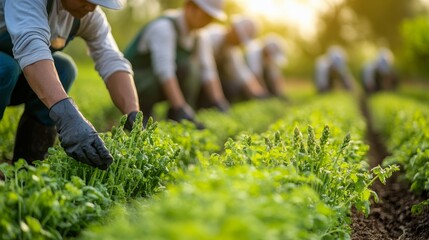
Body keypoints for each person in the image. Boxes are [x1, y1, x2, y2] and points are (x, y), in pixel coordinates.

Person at [0, 0, 142, 170]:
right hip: (7, 71)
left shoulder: (88, 17)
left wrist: (133, 113)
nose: (90, 6)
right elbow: (31, 46)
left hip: (16, 76)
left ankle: (28, 167)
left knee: (64, 70)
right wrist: (67, 116)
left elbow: (111, 59)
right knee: (5, 68)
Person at [124, 0, 229, 128]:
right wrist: (180, 107)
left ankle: (176, 118)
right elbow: (164, 70)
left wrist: (219, 102)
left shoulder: (200, 36)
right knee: (189, 68)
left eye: (211, 18)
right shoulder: (164, 27)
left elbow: (208, 69)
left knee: (194, 70)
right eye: (206, 15)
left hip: (156, 82)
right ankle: (141, 113)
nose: (208, 21)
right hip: (135, 83)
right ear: (189, 7)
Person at [198, 15, 269, 105]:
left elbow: (242, 73)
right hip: (198, 77)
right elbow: (207, 70)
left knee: (232, 87)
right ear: (233, 28)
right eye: (239, 38)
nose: (239, 43)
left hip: (209, 79)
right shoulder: (211, 37)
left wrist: (260, 94)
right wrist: (218, 100)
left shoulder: (231, 50)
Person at [244, 33, 288, 99]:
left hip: (259, 78)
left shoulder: (269, 59)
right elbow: (257, 76)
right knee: (260, 93)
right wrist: (266, 93)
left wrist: (280, 93)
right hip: (247, 80)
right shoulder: (253, 53)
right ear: (267, 50)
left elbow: (276, 76)